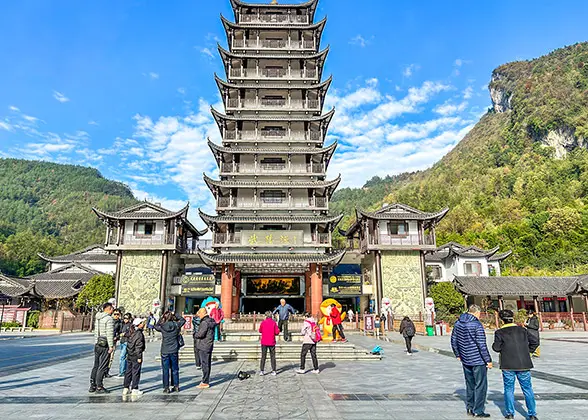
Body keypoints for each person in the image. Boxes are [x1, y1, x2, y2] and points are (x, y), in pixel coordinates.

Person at [492, 309, 539, 420]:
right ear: (512, 318)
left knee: (509, 389)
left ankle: (510, 413)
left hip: (508, 364)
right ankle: (532, 414)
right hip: (524, 363)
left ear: (501, 320)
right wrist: (527, 352)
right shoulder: (523, 330)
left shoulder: (499, 332)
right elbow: (535, 341)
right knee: (527, 389)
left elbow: (496, 348)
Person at [451, 304, 493, 418]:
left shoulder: (458, 323)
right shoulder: (476, 324)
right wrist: (488, 360)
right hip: (478, 360)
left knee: (470, 384)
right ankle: (478, 410)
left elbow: (453, 340)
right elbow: (481, 344)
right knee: (480, 385)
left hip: (465, 359)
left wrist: (458, 354)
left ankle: (470, 407)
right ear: (476, 312)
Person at [154, 311, 186, 393]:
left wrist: (162, 317)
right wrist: (175, 314)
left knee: (165, 369)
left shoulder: (162, 326)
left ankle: (166, 387)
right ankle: (176, 386)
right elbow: (183, 320)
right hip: (174, 349)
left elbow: (155, 326)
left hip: (165, 350)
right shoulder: (176, 325)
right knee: (175, 369)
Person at [89, 302, 115, 394]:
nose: (113, 310)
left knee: (96, 365)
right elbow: (109, 333)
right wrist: (111, 346)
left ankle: (92, 385)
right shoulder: (109, 319)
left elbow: (96, 332)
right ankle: (99, 385)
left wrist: (96, 342)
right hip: (105, 345)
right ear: (108, 309)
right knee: (102, 365)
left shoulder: (98, 318)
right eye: (112, 308)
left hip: (98, 344)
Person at [122, 317, 146, 396]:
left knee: (128, 372)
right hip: (136, 355)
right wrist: (139, 357)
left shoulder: (131, 332)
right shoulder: (139, 334)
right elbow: (139, 346)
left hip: (130, 354)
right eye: (142, 323)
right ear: (139, 325)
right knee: (136, 372)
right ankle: (134, 388)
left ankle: (126, 388)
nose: (143, 324)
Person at [195, 307, 216, 389]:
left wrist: (195, 334)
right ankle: (205, 380)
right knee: (207, 363)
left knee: (205, 364)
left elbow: (201, 334)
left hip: (203, 345)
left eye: (199, 314)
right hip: (208, 344)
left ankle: (205, 381)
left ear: (203, 313)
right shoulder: (211, 321)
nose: (199, 316)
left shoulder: (204, 322)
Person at [259, 311, 280, 376]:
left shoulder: (263, 322)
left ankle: (262, 371)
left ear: (266, 316)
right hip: (271, 342)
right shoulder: (274, 323)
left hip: (264, 342)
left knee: (263, 356)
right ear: (271, 316)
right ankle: (274, 370)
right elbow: (277, 332)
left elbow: (260, 330)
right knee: (273, 357)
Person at [105, 309, 122, 378]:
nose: (116, 316)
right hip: (106, 340)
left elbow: (120, 331)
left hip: (113, 341)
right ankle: (102, 370)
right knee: (105, 355)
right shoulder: (109, 320)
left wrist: (117, 337)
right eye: (115, 314)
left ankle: (107, 371)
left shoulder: (120, 322)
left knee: (111, 357)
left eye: (118, 314)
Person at [118, 313, 133, 378]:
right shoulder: (122, 324)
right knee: (124, 357)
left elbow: (131, 333)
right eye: (124, 318)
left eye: (126, 318)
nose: (125, 319)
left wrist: (125, 334)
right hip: (122, 341)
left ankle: (122, 372)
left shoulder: (131, 325)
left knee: (122, 356)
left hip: (127, 342)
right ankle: (125, 370)